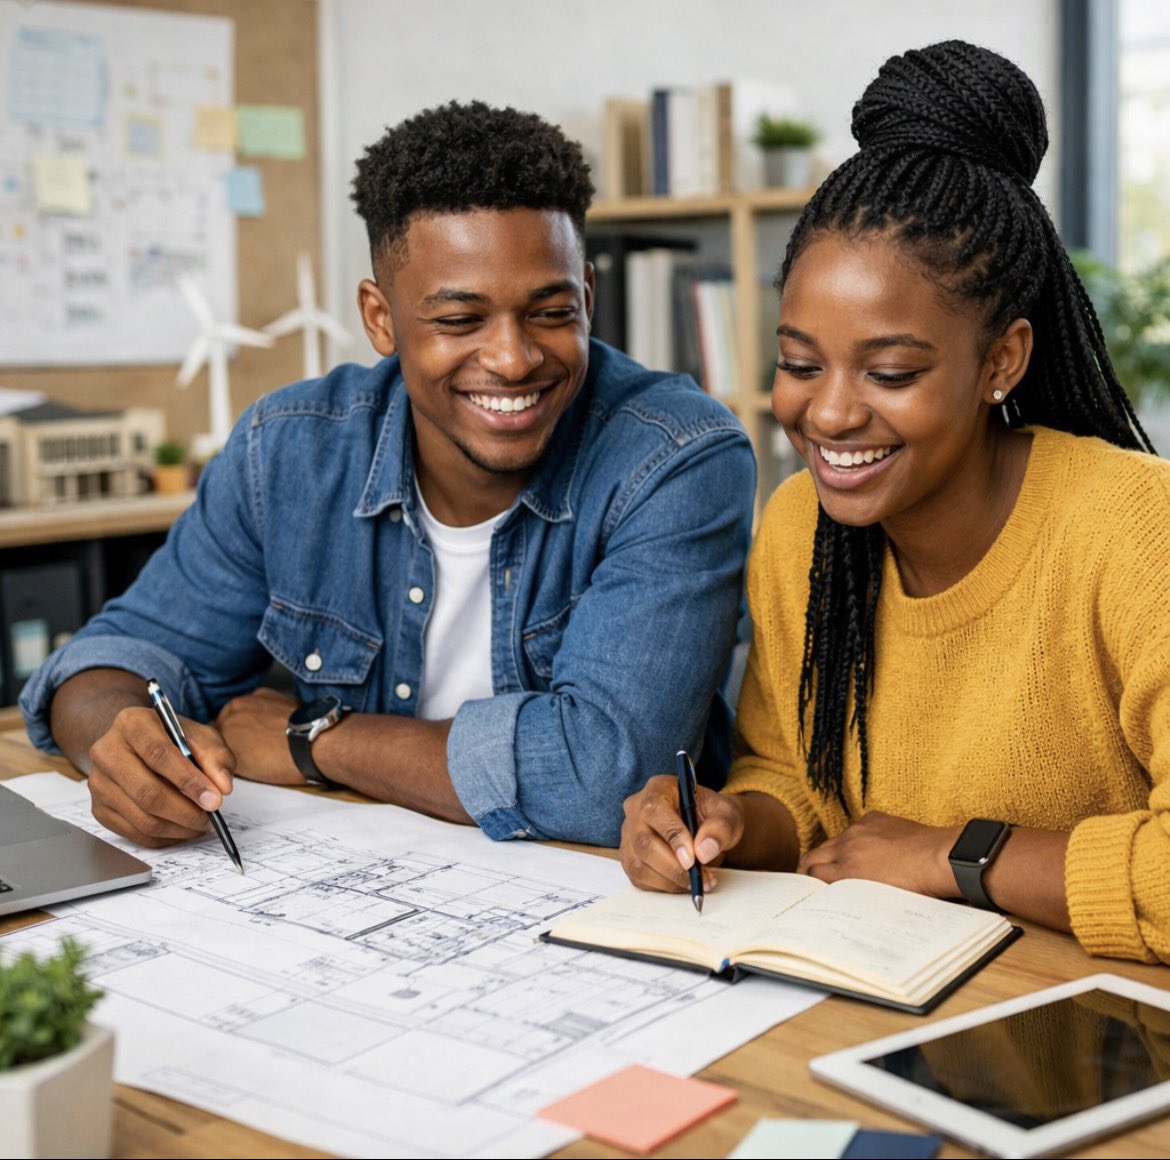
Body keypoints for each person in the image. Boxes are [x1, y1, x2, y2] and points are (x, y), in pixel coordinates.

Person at [22, 101, 754, 849]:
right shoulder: (288, 452)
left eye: (549, 311)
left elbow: (606, 778)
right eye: (460, 321)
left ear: (588, 300)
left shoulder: (676, 457)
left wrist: (319, 740)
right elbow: (116, 660)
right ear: (380, 317)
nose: (513, 358)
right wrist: (117, 743)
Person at [618, 40, 1170, 964]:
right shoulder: (799, 529)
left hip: (1098, 1042)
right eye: (798, 364)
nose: (827, 411)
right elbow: (794, 783)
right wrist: (720, 824)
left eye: (891, 371)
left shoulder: (1132, 532)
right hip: (877, 1000)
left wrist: (956, 857)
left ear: (1002, 361)